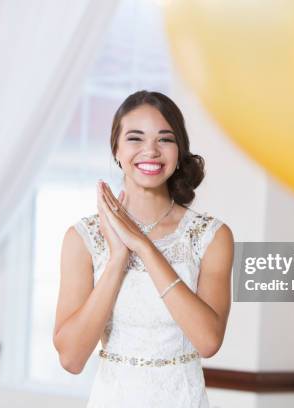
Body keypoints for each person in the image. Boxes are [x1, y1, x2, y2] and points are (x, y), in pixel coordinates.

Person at [53, 90, 234, 407]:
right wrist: (117, 259)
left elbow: (208, 341)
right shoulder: (82, 238)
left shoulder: (211, 235)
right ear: (117, 149)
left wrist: (144, 247)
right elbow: (71, 359)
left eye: (165, 139)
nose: (151, 150)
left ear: (179, 152)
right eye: (135, 138)